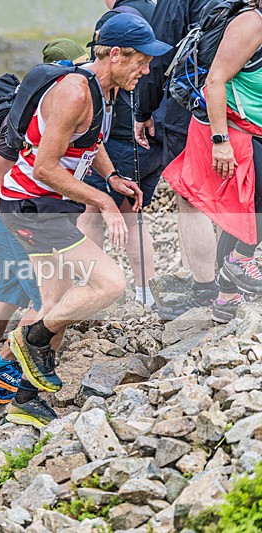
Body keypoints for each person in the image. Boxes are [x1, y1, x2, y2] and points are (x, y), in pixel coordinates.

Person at [0, 14, 170, 428]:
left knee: (57, 303)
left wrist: (111, 177)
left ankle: (26, 397)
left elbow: (91, 141)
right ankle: (30, 338)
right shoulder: (75, 92)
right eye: (142, 61)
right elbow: (44, 167)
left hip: (47, 205)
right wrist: (105, 202)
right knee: (110, 284)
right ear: (115, 54)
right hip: (32, 204)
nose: (146, 70)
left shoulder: (105, 89)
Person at [0, 39, 88, 405]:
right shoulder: (33, 112)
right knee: (47, 300)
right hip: (18, 218)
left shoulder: (33, 104)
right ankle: (17, 376)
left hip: (5, 216)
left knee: (7, 293)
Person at [163, 0, 262, 323]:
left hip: (251, 128)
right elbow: (215, 80)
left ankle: (226, 297)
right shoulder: (251, 23)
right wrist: (220, 141)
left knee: (243, 211)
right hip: (231, 130)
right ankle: (238, 262)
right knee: (245, 208)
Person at [134, 0, 217, 319]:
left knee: (191, 201)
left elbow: (160, 55)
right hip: (242, 108)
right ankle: (232, 282)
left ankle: (205, 288)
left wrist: (144, 110)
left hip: (190, 111)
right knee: (228, 195)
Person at [78, 1, 161, 308]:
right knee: (133, 215)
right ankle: (146, 293)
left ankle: (90, 289)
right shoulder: (156, 12)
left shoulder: (115, 22)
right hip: (156, 134)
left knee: (92, 213)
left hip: (125, 137)